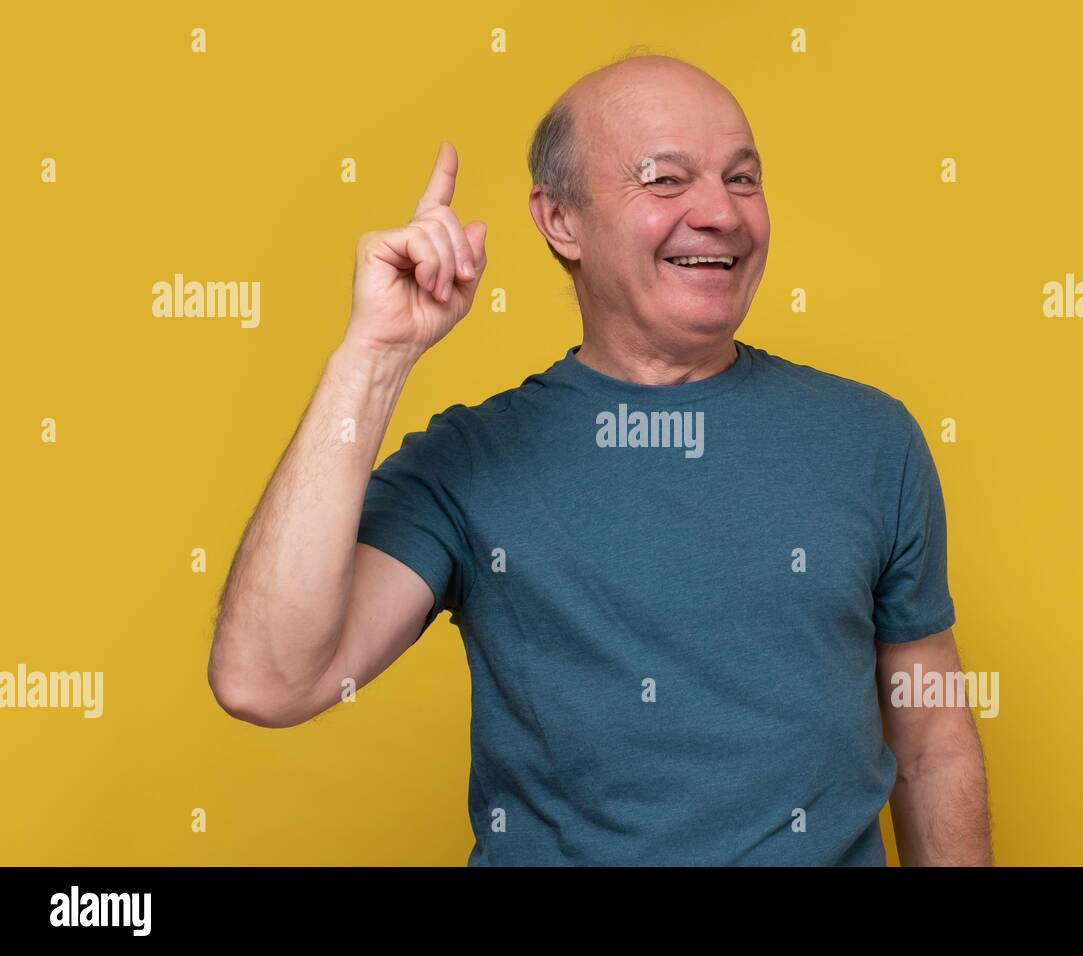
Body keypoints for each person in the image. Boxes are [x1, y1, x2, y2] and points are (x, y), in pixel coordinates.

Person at [208, 52, 992, 866]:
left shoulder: (868, 439)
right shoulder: (469, 463)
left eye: (743, 178)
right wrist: (374, 354)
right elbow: (269, 681)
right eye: (665, 180)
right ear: (560, 221)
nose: (720, 212)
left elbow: (933, 742)